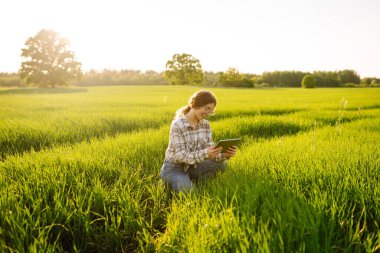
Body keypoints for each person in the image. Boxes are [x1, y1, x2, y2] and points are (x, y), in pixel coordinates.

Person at [160, 90, 237, 193]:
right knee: (191, 194)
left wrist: (226, 154)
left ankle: (189, 179)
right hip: (175, 168)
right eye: (207, 108)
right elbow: (180, 156)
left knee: (222, 165)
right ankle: (167, 180)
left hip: (194, 165)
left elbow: (211, 152)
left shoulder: (205, 125)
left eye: (211, 110)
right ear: (196, 104)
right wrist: (206, 153)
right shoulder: (178, 125)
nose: (208, 113)